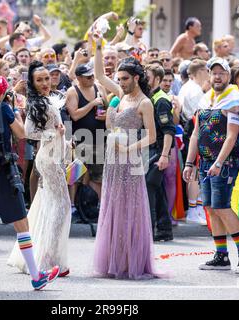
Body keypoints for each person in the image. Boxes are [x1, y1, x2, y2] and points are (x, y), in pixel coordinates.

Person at [0, 75, 60, 291]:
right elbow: (22, 134)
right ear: (2, 93)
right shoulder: (4, 109)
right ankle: (36, 276)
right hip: (2, 173)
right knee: (22, 224)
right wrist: (15, 113)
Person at [93, 34, 158, 279]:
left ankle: (131, 260)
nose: (120, 81)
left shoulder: (144, 103)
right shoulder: (120, 93)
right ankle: (114, 257)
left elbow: (151, 137)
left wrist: (129, 149)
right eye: (119, 78)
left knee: (130, 209)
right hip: (113, 159)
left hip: (130, 160)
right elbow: (99, 76)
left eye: (124, 78)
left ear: (137, 78)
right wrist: (98, 46)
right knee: (112, 206)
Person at [183, 58, 239, 274]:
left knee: (222, 207)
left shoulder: (234, 100)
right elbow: (196, 133)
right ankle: (221, 255)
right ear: (208, 74)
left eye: (221, 73)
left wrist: (218, 162)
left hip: (224, 163)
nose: (217, 76)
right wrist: (189, 162)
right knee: (211, 208)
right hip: (205, 162)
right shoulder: (206, 99)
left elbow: (232, 136)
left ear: (228, 76)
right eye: (213, 72)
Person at [7, 61, 72, 277]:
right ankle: (48, 259)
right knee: (61, 207)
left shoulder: (47, 100)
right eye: (40, 80)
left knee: (49, 205)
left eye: (47, 78)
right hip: (48, 159)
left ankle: (47, 258)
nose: (45, 83)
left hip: (53, 156)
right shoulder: (37, 103)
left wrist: (62, 137)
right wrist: (54, 134)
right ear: (32, 84)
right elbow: (28, 132)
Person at [66, 63, 107, 203]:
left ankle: (100, 208)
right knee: (74, 176)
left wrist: (106, 115)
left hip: (100, 139)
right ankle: (72, 206)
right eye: (87, 76)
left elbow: (108, 108)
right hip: (81, 140)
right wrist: (92, 104)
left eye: (92, 75)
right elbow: (75, 115)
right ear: (78, 78)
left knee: (99, 176)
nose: (91, 78)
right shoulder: (73, 91)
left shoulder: (99, 87)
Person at [145, 64, 176, 241]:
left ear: (157, 79)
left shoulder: (160, 100)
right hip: (151, 150)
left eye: (147, 77)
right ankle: (164, 229)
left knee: (150, 186)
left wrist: (164, 155)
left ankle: (150, 229)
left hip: (158, 150)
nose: (144, 79)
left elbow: (168, 130)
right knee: (157, 189)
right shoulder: (151, 97)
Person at [178, 59, 210, 225]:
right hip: (194, 130)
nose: (209, 75)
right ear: (200, 72)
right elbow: (202, 113)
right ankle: (193, 210)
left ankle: (197, 208)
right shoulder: (195, 89)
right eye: (207, 71)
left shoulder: (190, 87)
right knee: (195, 172)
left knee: (196, 172)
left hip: (193, 129)